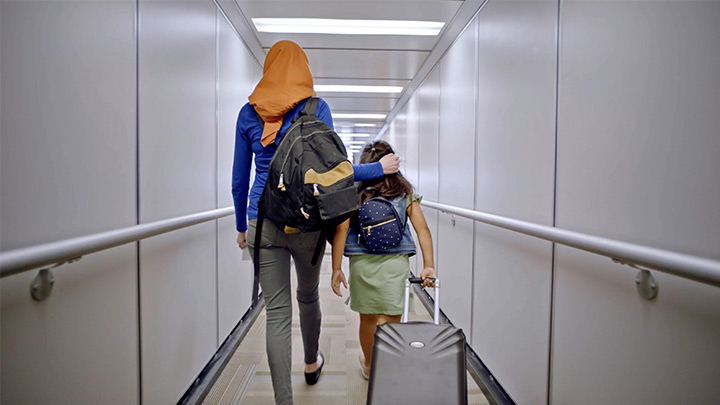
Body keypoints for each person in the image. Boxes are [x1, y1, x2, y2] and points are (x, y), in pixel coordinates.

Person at [231, 41, 399, 405]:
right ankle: (311, 362)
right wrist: (377, 168)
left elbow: (239, 181)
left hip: (262, 219)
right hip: (306, 221)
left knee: (276, 312)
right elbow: (333, 170)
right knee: (307, 296)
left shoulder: (248, 113)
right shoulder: (316, 107)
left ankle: (284, 401)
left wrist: (242, 227)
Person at [330, 140, 437, 380]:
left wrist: (337, 268)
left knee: (367, 318)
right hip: (395, 264)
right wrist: (428, 265)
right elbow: (423, 230)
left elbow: (340, 231)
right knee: (390, 317)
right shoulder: (404, 193)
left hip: (362, 264)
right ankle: (388, 365)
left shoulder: (355, 194)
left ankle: (369, 365)